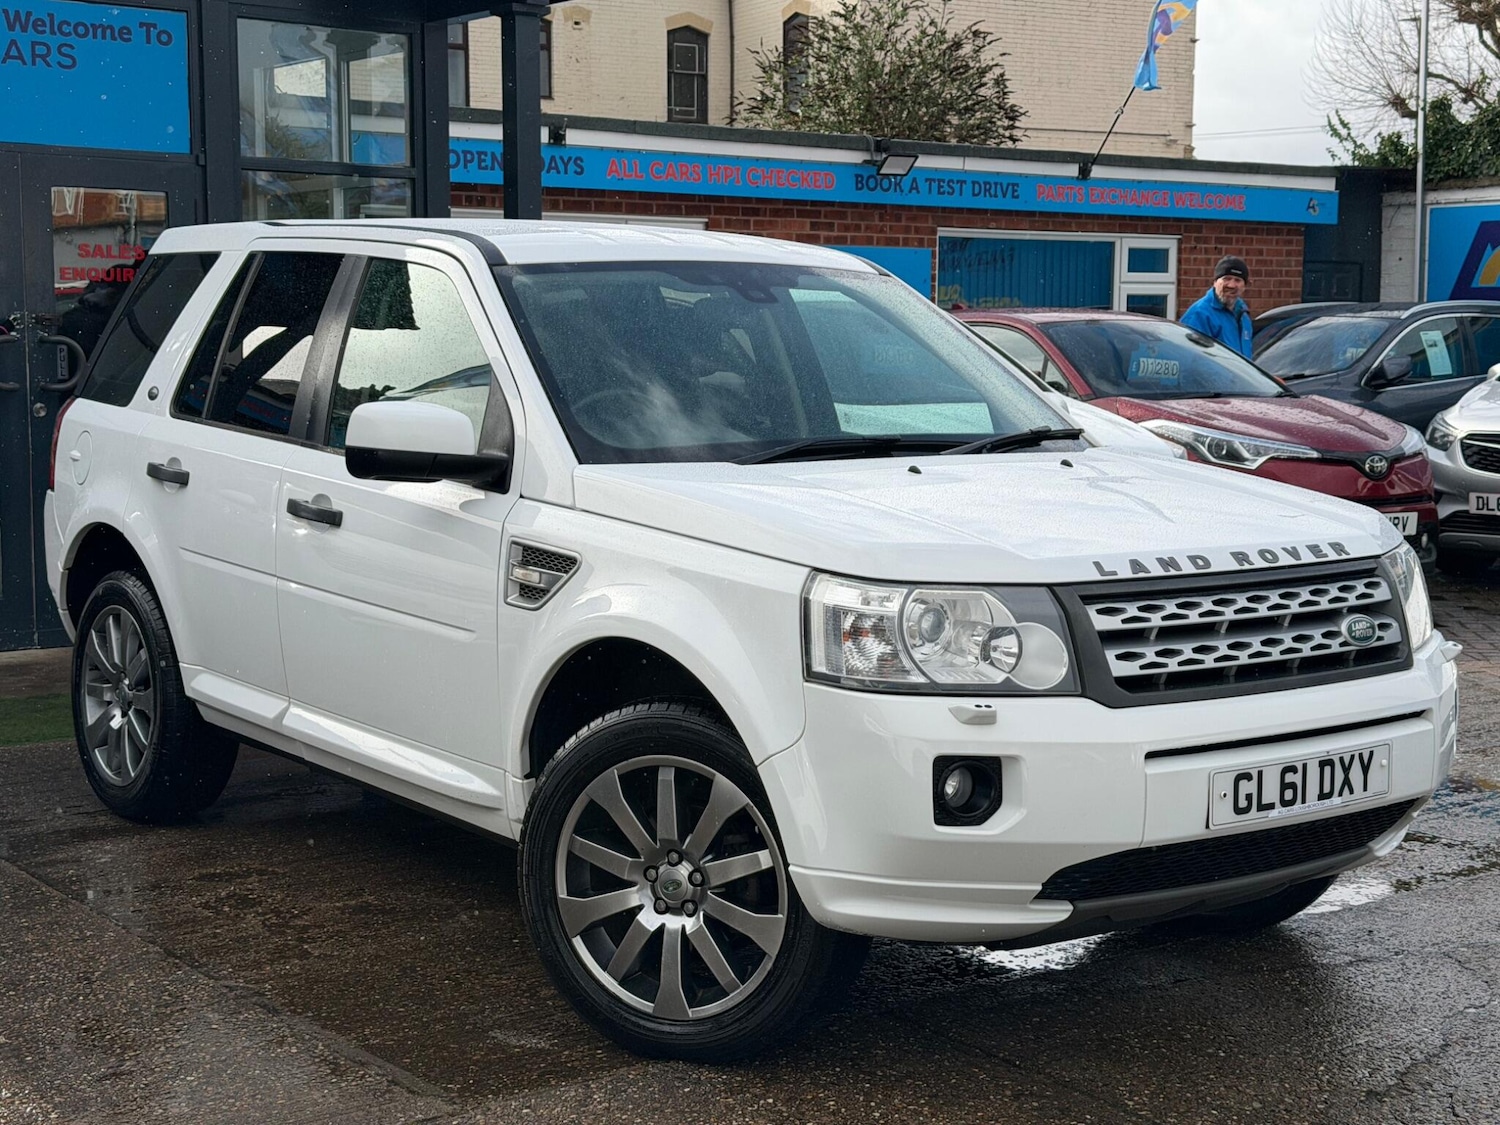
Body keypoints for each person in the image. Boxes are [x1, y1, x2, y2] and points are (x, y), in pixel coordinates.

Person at [1180, 255, 1253, 358]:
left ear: (1244, 286)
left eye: (1237, 280)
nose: (1231, 285)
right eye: (1226, 279)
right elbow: (1190, 359)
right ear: (1215, 282)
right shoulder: (1199, 314)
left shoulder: (1243, 314)